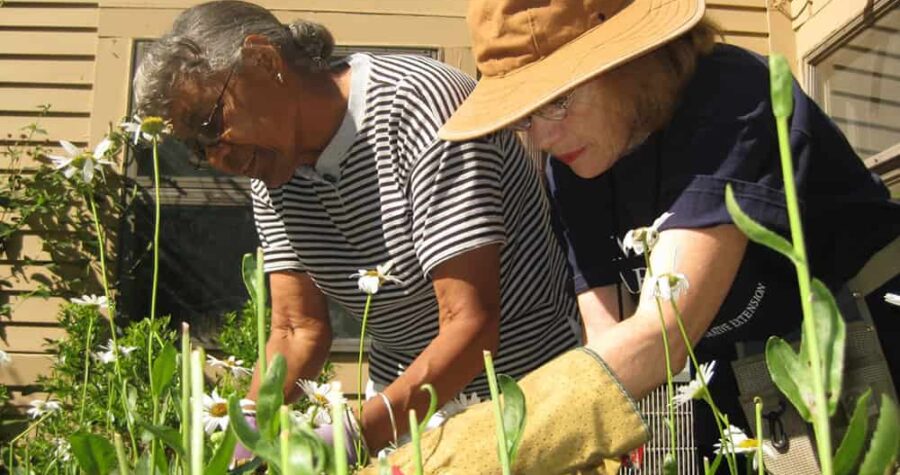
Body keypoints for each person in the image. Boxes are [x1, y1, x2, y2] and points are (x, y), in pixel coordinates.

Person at [428, 0, 900, 469]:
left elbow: (662, 335)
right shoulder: (574, 169)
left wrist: (471, 452)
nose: (544, 138)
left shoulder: (728, 97)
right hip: (741, 372)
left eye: (557, 100)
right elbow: (606, 349)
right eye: (526, 115)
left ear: (631, 55)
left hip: (865, 335)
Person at [132, 0, 583, 462]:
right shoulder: (274, 171)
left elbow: (471, 323)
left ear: (264, 60)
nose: (215, 159)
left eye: (212, 125)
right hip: (404, 410)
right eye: (194, 148)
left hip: (525, 398)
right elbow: (296, 328)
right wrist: (245, 438)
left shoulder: (420, 106)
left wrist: (348, 439)